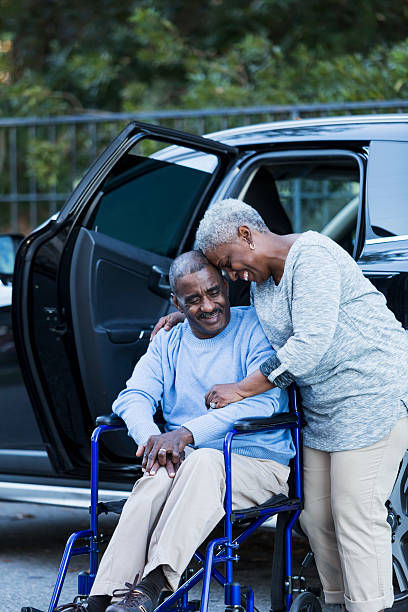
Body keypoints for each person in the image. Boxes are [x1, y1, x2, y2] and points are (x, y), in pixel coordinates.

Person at [154, 199, 408, 612]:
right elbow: (246, 319)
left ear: (246, 235)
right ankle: (337, 604)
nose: (232, 275)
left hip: (372, 394)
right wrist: (187, 314)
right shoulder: (260, 283)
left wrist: (242, 388)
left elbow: (308, 344)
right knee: (316, 518)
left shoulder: (313, 257)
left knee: (355, 512)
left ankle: (371, 607)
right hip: (324, 406)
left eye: (229, 264)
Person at [58, 250, 294, 612]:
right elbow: (133, 396)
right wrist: (153, 440)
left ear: (227, 285)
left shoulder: (255, 329)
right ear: (176, 302)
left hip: (256, 462)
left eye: (214, 292)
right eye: (194, 299)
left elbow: (262, 403)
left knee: (203, 462)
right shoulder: (169, 340)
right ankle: (102, 598)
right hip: (188, 463)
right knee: (155, 475)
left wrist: (186, 433)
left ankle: (154, 584)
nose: (208, 306)